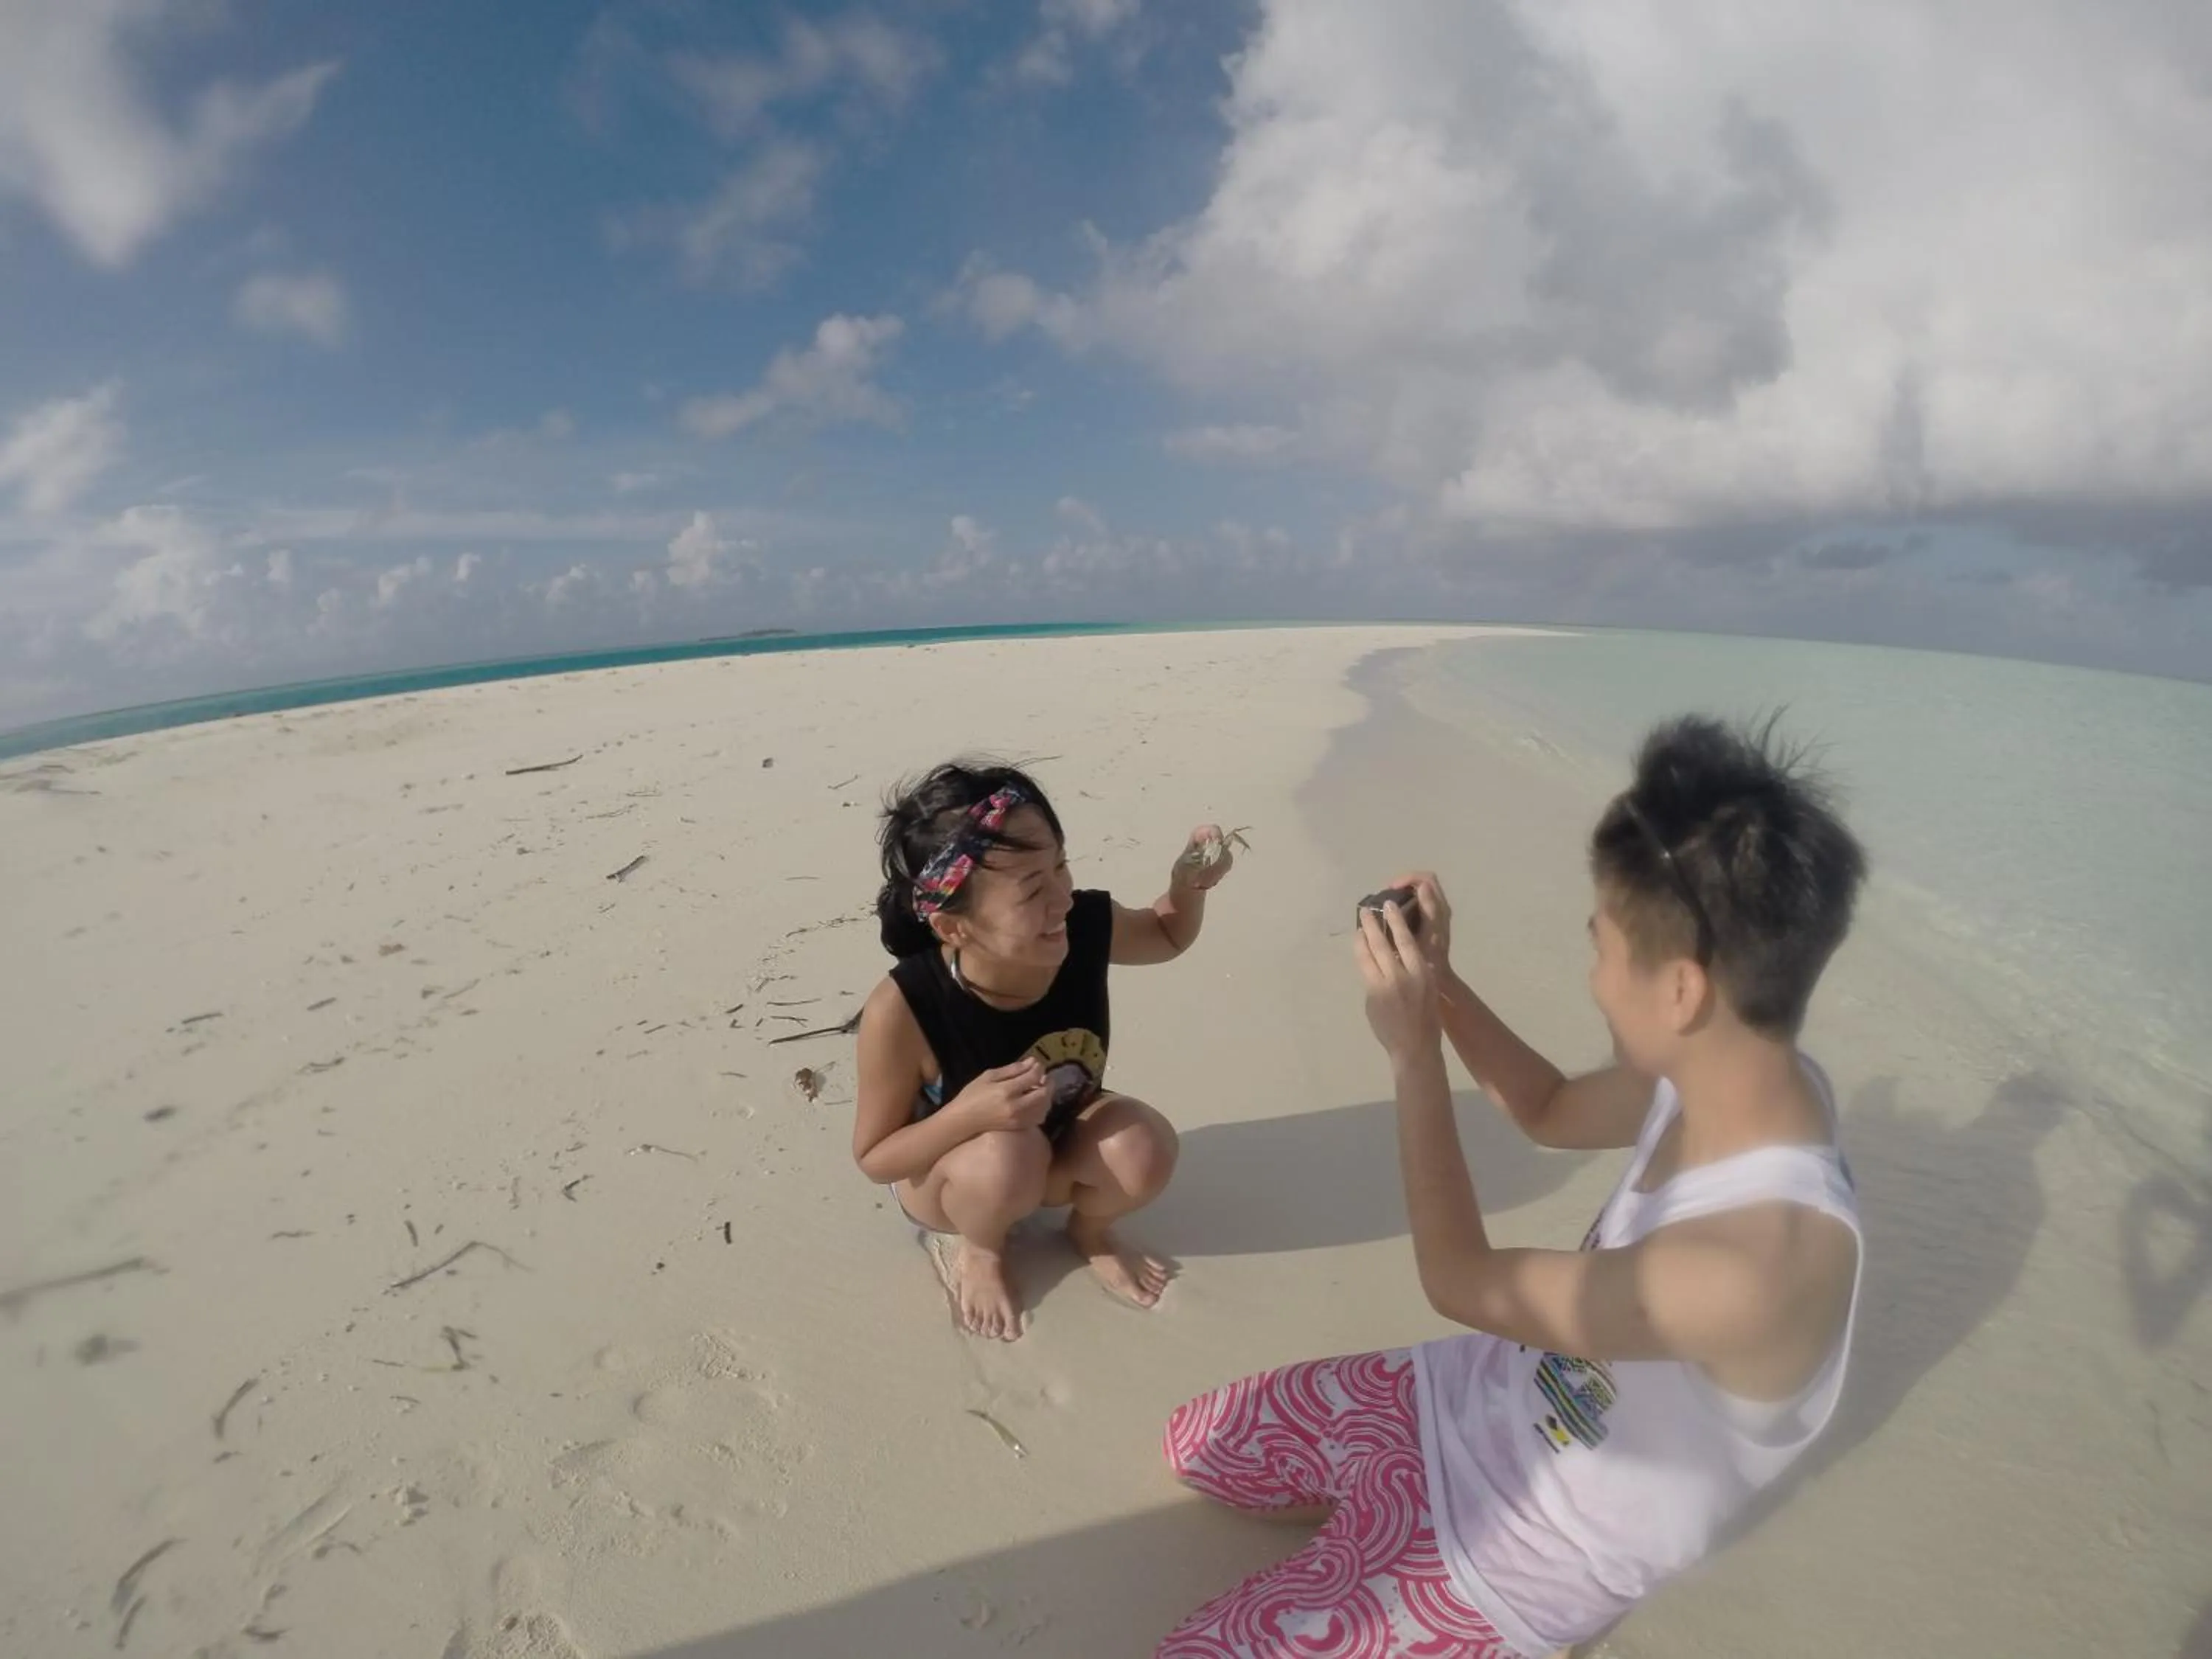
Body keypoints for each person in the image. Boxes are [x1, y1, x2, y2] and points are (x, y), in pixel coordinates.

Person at [1158, 715, 1869, 1658]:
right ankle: (1367, 1539)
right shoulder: (1730, 1066)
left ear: (1681, 992)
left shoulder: (1757, 1268)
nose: (1594, 976)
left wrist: (1413, 1057)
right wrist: (1440, 980)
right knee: (1197, 1444)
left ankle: (1432, 1599)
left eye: (1601, 946)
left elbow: (1458, 1279)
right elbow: (1547, 1107)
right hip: (1478, 1396)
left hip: (1529, 1546)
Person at [853, 759, 1236, 1342]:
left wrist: (1190, 887)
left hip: (1053, 1143)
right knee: (1006, 1157)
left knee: (1144, 1147)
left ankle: (1089, 1232)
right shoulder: (904, 1006)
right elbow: (876, 1159)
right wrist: (968, 1115)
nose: (1062, 900)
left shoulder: (1080, 925)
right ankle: (983, 1250)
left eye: (1060, 865)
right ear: (955, 927)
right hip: (952, 1180)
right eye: (1032, 890)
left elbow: (1165, 934)